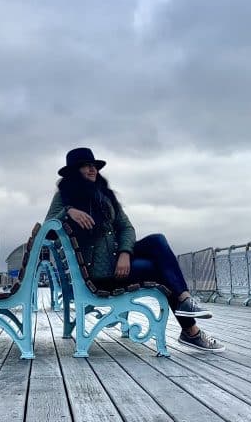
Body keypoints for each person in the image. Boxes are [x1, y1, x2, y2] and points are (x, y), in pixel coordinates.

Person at [45, 147, 226, 352]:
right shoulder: (64, 197)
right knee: (159, 271)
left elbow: (126, 227)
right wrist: (69, 212)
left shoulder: (105, 196)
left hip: (117, 260)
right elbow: (48, 228)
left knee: (157, 240)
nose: (93, 170)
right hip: (99, 274)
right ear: (73, 172)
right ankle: (191, 332)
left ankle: (185, 301)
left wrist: (125, 253)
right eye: (86, 166)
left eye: (94, 166)